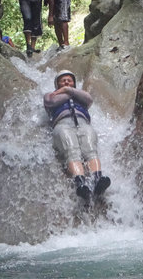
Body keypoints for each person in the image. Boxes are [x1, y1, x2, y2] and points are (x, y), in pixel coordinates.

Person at [44, 70, 111, 200]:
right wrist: (70, 92)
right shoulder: (50, 95)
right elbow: (50, 101)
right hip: (62, 124)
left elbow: (89, 99)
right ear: (57, 84)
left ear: (74, 83)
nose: (66, 82)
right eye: (62, 80)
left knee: (91, 150)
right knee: (71, 151)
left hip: (83, 124)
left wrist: (69, 91)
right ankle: (80, 182)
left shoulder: (81, 95)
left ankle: (98, 178)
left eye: (69, 80)